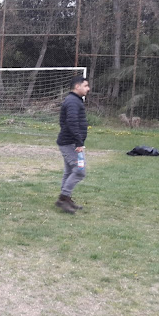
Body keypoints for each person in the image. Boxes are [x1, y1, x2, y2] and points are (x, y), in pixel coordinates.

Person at [55, 75, 90, 213]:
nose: (88, 88)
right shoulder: (72, 102)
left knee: (69, 171)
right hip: (70, 143)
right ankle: (63, 198)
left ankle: (66, 198)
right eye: (86, 86)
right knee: (80, 171)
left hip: (70, 141)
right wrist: (79, 141)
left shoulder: (74, 101)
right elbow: (71, 122)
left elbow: (64, 122)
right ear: (77, 86)